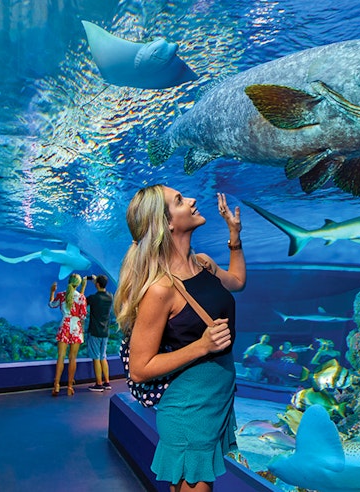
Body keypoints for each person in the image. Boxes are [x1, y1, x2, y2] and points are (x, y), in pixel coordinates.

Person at [114, 185, 245, 492]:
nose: (192, 200)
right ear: (167, 223)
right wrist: (201, 346)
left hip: (216, 398)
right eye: (179, 201)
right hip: (191, 408)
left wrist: (234, 237)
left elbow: (237, 281)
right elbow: (139, 368)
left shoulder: (202, 263)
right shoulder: (161, 290)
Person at [49, 273, 88, 396]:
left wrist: (52, 292)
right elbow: (83, 315)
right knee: (72, 358)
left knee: (61, 356)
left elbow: (52, 304)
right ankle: (70, 386)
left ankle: (56, 385)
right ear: (78, 284)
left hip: (64, 326)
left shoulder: (61, 295)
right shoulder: (81, 298)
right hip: (76, 327)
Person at [85, 274, 114, 392]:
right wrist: (97, 280)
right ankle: (107, 382)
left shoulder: (93, 298)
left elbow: (83, 301)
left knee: (96, 358)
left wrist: (85, 284)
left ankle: (98, 384)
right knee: (103, 357)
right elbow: (101, 287)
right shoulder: (110, 297)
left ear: (97, 284)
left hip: (95, 331)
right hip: (105, 332)